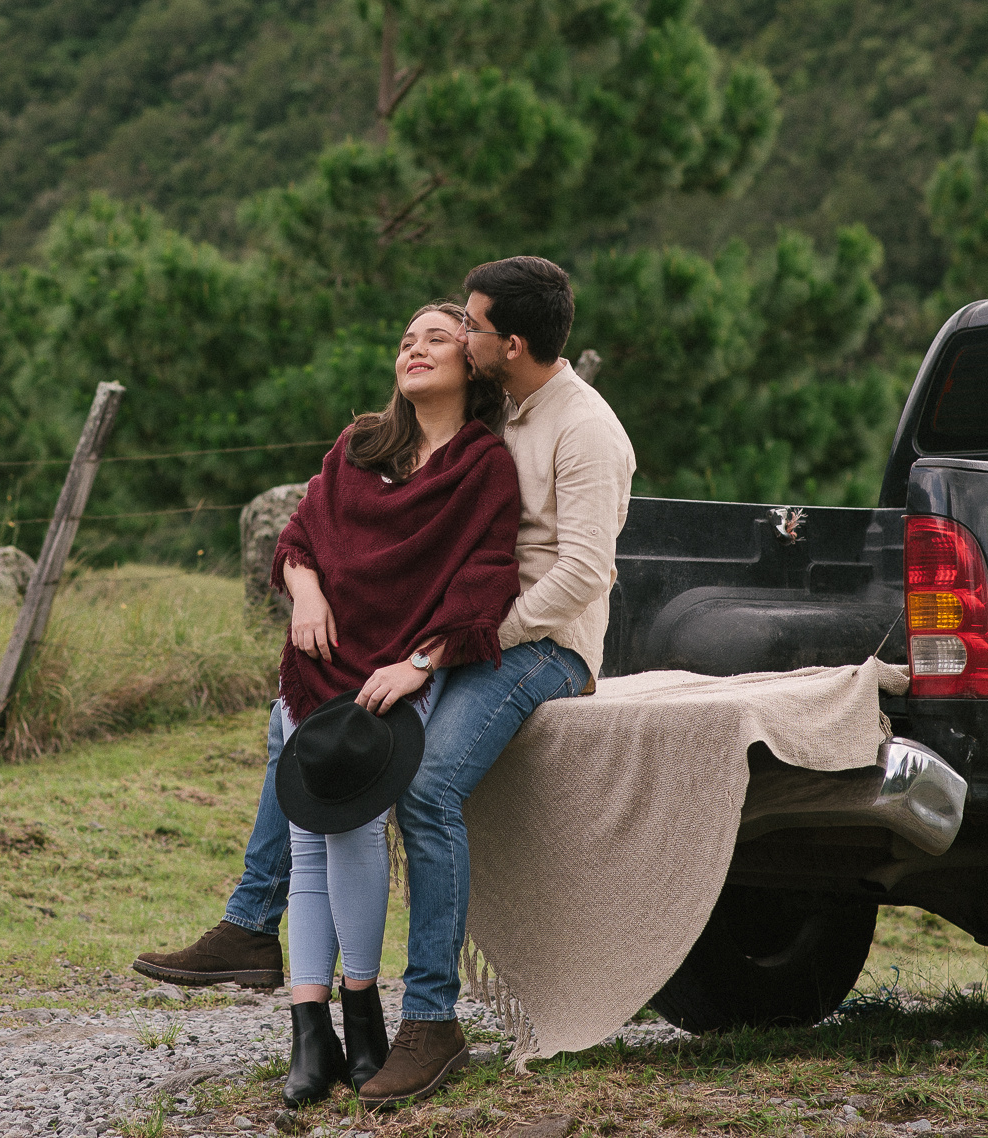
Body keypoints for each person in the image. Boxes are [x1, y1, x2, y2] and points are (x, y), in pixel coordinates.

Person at [135, 258, 636, 1109]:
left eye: (467, 326)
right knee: (297, 718)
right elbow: (354, 531)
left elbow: (583, 573)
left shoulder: (583, 431)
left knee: (428, 783)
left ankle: (431, 1019)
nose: (457, 337)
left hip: (541, 642)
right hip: (465, 626)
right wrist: (334, 601)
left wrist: (454, 644)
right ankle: (256, 926)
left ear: (506, 345)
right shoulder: (500, 409)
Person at [263, 302, 520, 1105]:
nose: (414, 349)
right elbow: (299, 538)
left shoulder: (483, 467)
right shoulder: (361, 445)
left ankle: (363, 1011)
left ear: (471, 364)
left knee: (358, 837)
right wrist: (304, 596)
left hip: (390, 681)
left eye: (436, 338)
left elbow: (486, 581)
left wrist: (420, 661)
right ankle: (311, 1035)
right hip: (314, 674)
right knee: (309, 845)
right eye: (406, 340)